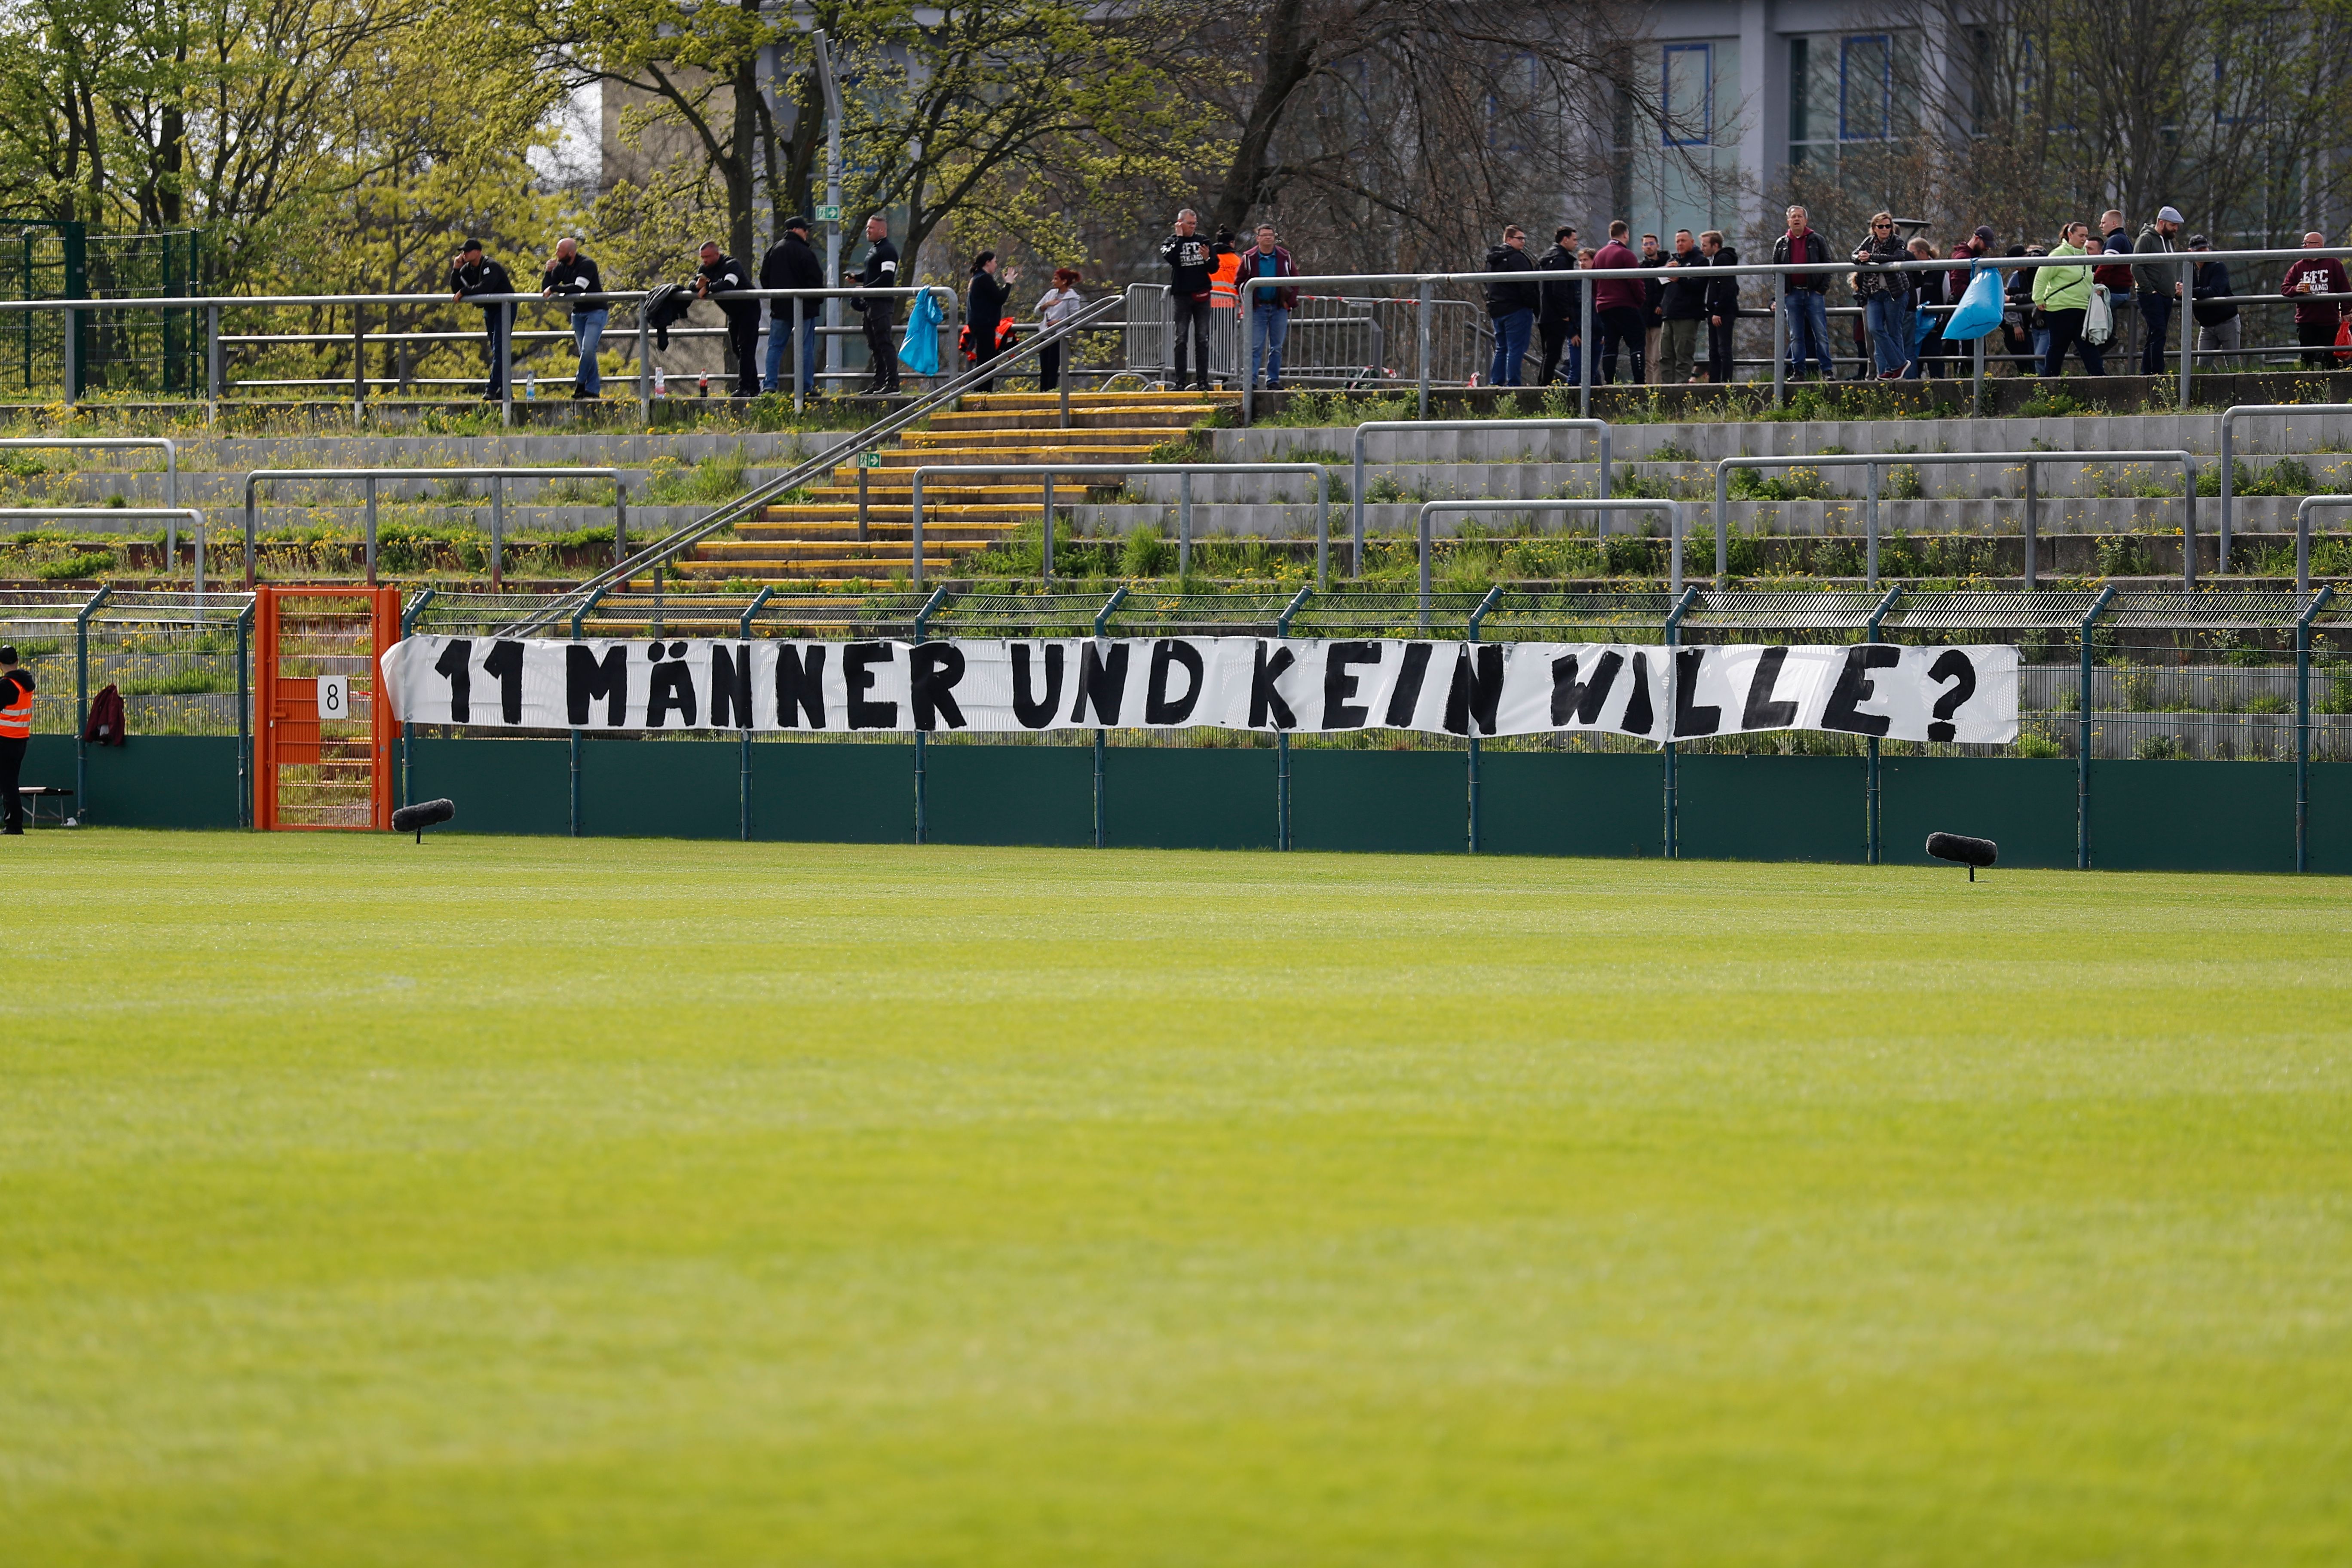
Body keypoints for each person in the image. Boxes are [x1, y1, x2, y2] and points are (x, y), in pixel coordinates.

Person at [760, 216, 826, 397]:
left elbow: (764, 278)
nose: (808, 233)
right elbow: (816, 281)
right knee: (805, 347)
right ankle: (806, 387)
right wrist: (816, 301)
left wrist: (776, 295)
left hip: (780, 308)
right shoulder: (805, 252)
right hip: (804, 309)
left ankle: (770, 385)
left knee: (775, 346)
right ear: (797, 230)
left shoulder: (774, 250)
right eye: (806, 230)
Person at [692, 241, 761, 397]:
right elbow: (692, 284)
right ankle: (754, 387)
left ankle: (745, 388)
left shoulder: (731, 264)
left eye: (708, 257)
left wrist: (707, 288)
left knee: (746, 349)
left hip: (748, 309)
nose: (705, 261)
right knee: (738, 350)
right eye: (702, 257)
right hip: (733, 313)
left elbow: (729, 284)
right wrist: (698, 286)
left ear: (717, 254)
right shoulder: (705, 269)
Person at [1772, 205, 1834, 380]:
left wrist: (1822, 289)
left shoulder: (1817, 240)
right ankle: (1799, 371)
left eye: (1800, 216)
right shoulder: (1781, 243)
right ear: (1789, 221)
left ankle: (1827, 371)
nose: (1797, 219)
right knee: (1795, 336)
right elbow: (1775, 270)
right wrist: (1782, 291)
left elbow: (1828, 265)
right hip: (1792, 295)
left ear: (1806, 220)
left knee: (1821, 334)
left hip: (1813, 294)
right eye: (1794, 217)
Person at [539, 237, 605, 400]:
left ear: (571, 253)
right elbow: (545, 289)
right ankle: (592, 391)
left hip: (596, 311)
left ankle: (581, 382)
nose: (556, 254)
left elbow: (578, 287)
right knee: (587, 353)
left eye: (560, 251)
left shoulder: (587, 264)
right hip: (578, 314)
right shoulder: (561, 266)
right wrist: (548, 272)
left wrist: (554, 288)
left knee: (588, 349)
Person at [448, 239, 514, 399]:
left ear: (478, 252)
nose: (464, 254)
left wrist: (465, 291)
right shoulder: (467, 269)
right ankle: (505, 390)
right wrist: (456, 269)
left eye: (467, 251)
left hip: (504, 308)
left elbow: (486, 287)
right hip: (489, 309)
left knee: (500, 348)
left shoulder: (490, 266)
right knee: (497, 349)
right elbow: (455, 289)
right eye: (463, 252)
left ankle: (491, 389)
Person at [2033, 222, 2101, 377]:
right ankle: (2050, 382)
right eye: (2081, 236)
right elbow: (2042, 277)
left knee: (2087, 347)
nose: (2085, 239)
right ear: (2070, 235)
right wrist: (2038, 299)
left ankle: (2100, 379)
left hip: (2082, 307)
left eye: (2086, 236)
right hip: (2060, 308)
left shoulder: (2085, 255)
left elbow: (2086, 279)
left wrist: (2094, 291)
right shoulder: (2058, 254)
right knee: (2058, 347)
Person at [1158, 208, 1216, 392]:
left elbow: (1214, 268)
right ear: (1180, 223)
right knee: (1181, 339)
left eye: (1195, 224)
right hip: (1182, 296)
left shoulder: (1203, 240)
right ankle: (1180, 381)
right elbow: (1172, 259)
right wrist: (1181, 238)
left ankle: (1202, 381)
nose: (1193, 227)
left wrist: (1207, 259)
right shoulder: (1171, 242)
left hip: (1202, 296)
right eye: (1189, 223)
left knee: (1202, 339)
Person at [1852, 211, 1912, 379]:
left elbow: (1898, 257)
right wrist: (1860, 258)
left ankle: (1895, 370)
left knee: (1894, 331)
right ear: (1874, 228)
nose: (1885, 229)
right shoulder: (1868, 242)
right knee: (1875, 329)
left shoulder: (1897, 241)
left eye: (1888, 226)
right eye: (1881, 227)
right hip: (1873, 294)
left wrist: (1871, 258)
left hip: (1894, 293)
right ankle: (1900, 364)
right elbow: (1853, 255)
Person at [1240, 224, 1298, 389]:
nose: (1268, 238)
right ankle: (1250, 382)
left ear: (1275, 238)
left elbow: (1296, 281)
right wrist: (1247, 303)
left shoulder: (1284, 257)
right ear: (1258, 238)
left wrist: (1289, 302)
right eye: (1264, 235)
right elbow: (1239, 282)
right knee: (1255, 347)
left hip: (1279, 308)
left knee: (1277, 347)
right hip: (1257, 309)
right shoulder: (1249, 258)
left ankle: (1273, 381)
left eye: (1271, 235)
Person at [2279, 231, 2348, 368]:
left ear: (2319, 245)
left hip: (2329, 320)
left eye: (2307, 243)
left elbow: (2345, 289)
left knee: (2330, 357)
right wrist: (2296, 289)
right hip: (2306, 320)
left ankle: (2332, 383)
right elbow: (2285, 289)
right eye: (2303, 243)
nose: (2304, 246)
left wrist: (2346, 311)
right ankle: (2306, 382)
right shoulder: (2299, 266)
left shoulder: (2333, 263)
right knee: (2307, 356)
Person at [2132, 205, 2185, 377]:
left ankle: (2147, 373)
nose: (2176, 229)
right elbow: (2137, 267)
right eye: (2172, 225)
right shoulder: (2146, 239)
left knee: (2155, 333)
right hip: (2151, 295)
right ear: (2161, 223)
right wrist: (2150, 290)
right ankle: (2157, 373)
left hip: (2166, 295)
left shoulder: (2169, 241)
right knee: (2159, 332)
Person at [852, 215, 902, 395]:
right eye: (867, 227)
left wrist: (863, 289)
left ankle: (893, 384)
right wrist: (858, 278)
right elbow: (872, 273)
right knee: (875, 345)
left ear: (882, 230)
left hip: (881, 304)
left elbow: (887, 278)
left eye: (871, 228)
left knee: (884, 343)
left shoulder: (888, 250)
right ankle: (879, 382)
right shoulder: (876, 249)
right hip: (871, 304)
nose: (868, 231)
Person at [1482, 225, 1538, 385]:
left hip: (1498, 309)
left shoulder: (1493, 259)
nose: (1523, 242)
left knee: (1502, 348)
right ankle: (1514, 384)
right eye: (1520, 239)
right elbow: (1527, 286)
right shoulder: (1517, 258)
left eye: (1524, 239)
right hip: (1517, 309)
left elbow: (1488, 283)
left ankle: (1496, 382)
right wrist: (1533, 305)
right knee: (1515, 349)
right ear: (1508, 239)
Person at [1591, 220, 1645, 383]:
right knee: (1637, 342)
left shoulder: (1599, 255)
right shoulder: (1626, 254)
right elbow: (1635, 281)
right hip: (1625, 304)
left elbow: (1594, 283)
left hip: (1604, 307)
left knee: (1610, 344)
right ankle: (1639, 382)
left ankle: (1609, 383)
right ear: (1626, 235)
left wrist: (1599, 300)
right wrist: (1640, 300)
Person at [1657, 229, 1707, 383]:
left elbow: (1699, 286)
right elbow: (1663, 286)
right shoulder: (1673, 262)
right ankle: (1666, 389)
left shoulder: (1701, 261)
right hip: (1669, 314)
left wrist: (1679, 278)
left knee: (1683, 355)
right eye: (1678, 241)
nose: (1680, 244)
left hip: (1687, 315)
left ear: (1692, 242)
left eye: (1683, 241)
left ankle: (1680, 390)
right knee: (1665, 356)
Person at [1535, 226, 1580, 386]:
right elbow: (1560, 289)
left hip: (1545, 314)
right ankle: (1544, 387)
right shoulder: (1561, 260)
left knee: (1549, 354)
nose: (1576, 243)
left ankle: (1542, 385)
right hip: (1556, 315)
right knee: (1553, 354)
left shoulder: (1545, 258)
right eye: (1574, 240)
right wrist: (1565, 313)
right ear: (1565, 239)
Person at [2188, 235, 2240, 371]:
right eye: (2199, 250)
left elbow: (2215, 291)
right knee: (2204, 365)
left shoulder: (2218, 266)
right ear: (2191, 252)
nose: (2203, 253)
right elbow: (2183, 289)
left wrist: (2188, 291)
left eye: (2204, 249)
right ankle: (2222, 387)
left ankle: (2236, 390)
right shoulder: (2189, 269)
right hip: (2206, 325)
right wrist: (2179, 291)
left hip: (2227, 321)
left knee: (2233, 363)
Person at [965, 251, 1015, 391]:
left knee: (986, 359)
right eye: (995, 261)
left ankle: (980, 390)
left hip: (979, 323)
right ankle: (979, 391)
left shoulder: (977, 278)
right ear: (987, 263)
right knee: (987, 361)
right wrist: (1009, 283)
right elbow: (1000, 298)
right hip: (984, 324)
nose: (996, 264)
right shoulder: (984, 279)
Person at [1702, 230, 1739, 383]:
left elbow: (1728, 287)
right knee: (1715, 351)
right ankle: (1716, 382)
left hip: (1722, 312)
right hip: (1717, 311)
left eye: (1705, 245)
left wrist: (1718, 311)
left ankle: (1725, 383)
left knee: (1723, 350)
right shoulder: (1717, 259)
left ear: (1715, 245)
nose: (1702, 248)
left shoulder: (1723, 259)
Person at [0, 644, 30, 834]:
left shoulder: (6, 686)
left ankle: (14, 825)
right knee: (10, 782)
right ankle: (13, 822)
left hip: (5, 739)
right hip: (21, 739)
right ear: (17, 661)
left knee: (8, 784)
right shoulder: (25, 683)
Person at [1907, 236, 1947, 377]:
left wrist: (1940, 321)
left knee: (1935, 362)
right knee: (1913, 363)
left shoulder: (1940, 272)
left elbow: (1946, 297)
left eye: (1911, 253)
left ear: (1922, 253)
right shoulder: (1909, 271)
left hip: (1933, 327)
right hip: (1913, 325)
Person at [1639, 233, 1666, 383]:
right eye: (1646, 244)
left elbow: (1669, 289)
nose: (1649, 247)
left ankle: (1658, 389)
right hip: (1643, 318)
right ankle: (1648, 390)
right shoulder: (1639, 267)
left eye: (1651, 243)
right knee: (1646, 359)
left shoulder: (1667, 264)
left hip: (1659, 318)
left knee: (1657, 358)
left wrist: (1662, 304)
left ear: (1658, 245)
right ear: (1642, 248)